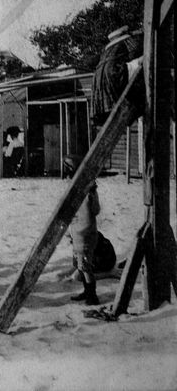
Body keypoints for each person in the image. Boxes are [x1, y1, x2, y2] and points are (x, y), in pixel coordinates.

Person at [63, 155, 102, 305]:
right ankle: (87, 291)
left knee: (86, 266)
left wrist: (92, 195)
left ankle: (93, 295)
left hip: (86, 232)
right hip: (77, 230)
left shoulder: (89, 189)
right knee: (80, 265)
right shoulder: (73, 187)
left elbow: (96, 210)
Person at [91, 26, 144, 127]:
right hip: (113, 77)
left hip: (100, 84)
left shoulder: (105, 55)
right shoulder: (121, 49)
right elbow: (124, 69)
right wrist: (143, 58)